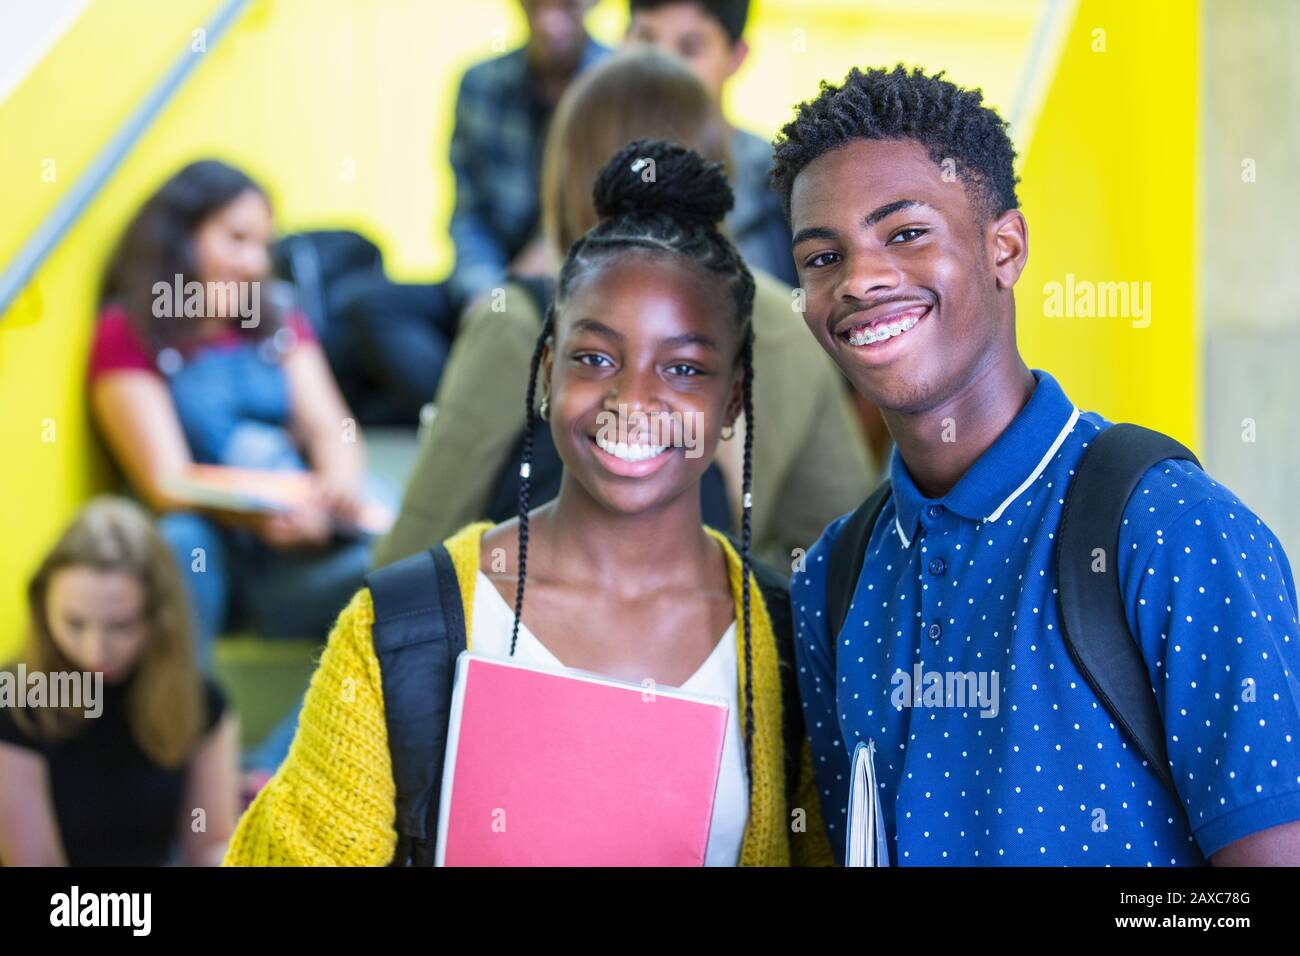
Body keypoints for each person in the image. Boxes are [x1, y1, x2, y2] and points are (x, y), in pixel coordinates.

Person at [224, 141, 833, 867]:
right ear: (547, 370)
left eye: (683, 368)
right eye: (596, 358)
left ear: (731, 400)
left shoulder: (793, 656)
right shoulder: (404, 632)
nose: (632, 400)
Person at [772, 65, 1300, 865]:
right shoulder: (834, 578)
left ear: (1004, 247)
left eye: (906, 233)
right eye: (821, 256)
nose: (861, 279)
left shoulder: (1168, 524)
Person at [374, 46, 873, 571]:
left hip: (525, 642)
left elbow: (410, 556)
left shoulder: (523, 321)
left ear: (567, 173)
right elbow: (836, 552)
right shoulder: (786, 322)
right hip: (718, 638)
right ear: (717, 167)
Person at [90, 160, 386, 772]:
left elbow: (335, 429)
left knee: (409, 572)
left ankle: (270, 767)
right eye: (235, 238)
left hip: (298, 557)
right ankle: (181, 757)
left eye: (262, 245)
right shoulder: (129, 332)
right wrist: (268, 508)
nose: (254, 262)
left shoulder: (274, 318)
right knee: (179, 537)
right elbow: (165, 479)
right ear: (180, 236)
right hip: (211, 571)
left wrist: (333, 489)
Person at [340, 0, 609, 424]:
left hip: (575, 291)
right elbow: (467, 213)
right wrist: (483, 294)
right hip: (492, 284)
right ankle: (480, 411)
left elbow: (595, 218)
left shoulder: (615, 87)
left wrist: (517, 291)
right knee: (364, 305)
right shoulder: (481, 83)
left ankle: (462, 412)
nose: (550, 15)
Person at [0, 498, 238, 866]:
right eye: (74, 623)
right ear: (42, 606)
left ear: (160, 616)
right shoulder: (14, 699)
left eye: (121, 626)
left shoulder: (200, 701)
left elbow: (207, 849)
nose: (96, 651)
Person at [626, 0, 797, 286]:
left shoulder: (778, 179)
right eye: (646, 41)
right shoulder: (591, 156)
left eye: (690, 48)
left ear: (737, 57)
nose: (660, 66)